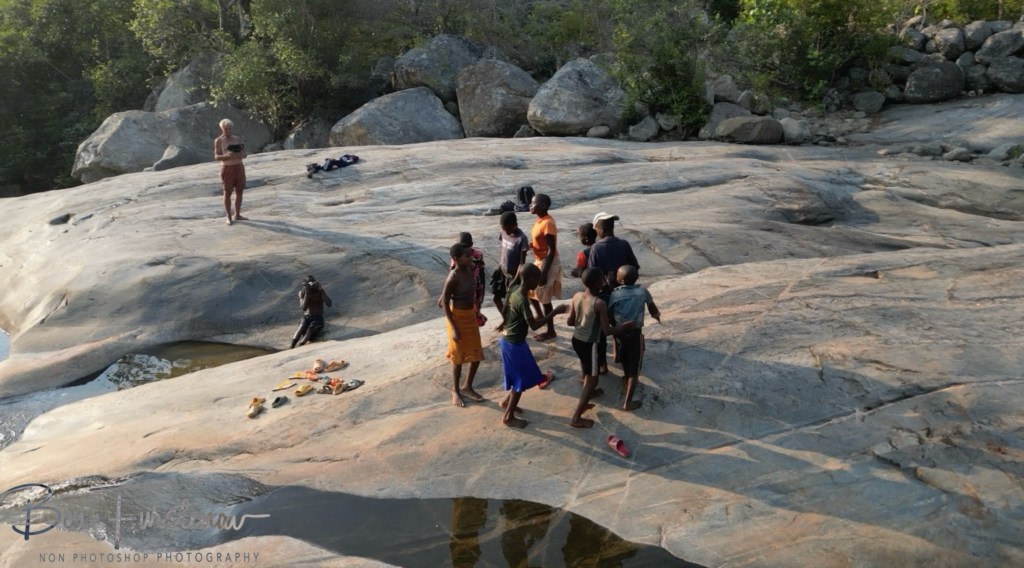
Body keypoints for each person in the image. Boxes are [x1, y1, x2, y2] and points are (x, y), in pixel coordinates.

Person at [498, 264, 568, 428]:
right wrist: (555, 312)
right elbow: (535, 326)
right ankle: (508, 417)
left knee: (521, 375)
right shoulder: (522, 299)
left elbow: (505, 305)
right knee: (520, 380)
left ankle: (507, 403)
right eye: (537, 279)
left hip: (508, 340)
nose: (539, 281)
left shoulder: (514, 289)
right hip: (515, 344)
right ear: (529, 279)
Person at [566, 268, 634, 428]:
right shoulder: (599, 303)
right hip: (591, 343)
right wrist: (626, 326)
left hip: (576, 339)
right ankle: (576, 417)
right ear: (598, 283)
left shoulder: (576, 296)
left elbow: (570, 322)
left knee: (587, 366)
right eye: (602, 279)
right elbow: (607, 331)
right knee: (594, 377)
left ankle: (589, 389)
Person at [587, 211, 639, 371]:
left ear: (599, 230)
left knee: (601, 329)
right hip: (623, 294)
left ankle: (602, 364)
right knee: (620, 325)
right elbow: (635, 267)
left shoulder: (595, 248)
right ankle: (621, 355)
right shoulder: (624, 244)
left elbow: (592, 274)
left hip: (605, 295)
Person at [609, 265, 661, 411]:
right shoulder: (643, 292)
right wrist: (657, 316)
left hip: (619, 332)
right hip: (634, 333)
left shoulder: (614, 294)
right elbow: (652, 308)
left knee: (625, 357)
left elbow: (610, 313)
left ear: (620, 280)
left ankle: (626, 374)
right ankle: (628, 402)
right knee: (635, 368)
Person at [442, 243, 485, 407]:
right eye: (466, 256)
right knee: (458, 358)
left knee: (477, 355)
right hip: (457, 319)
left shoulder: (470, 268)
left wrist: (477, 312)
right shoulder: (453, 277)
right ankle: (455, 390)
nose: (470, 258)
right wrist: (454, 328)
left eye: (470, 255)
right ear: (456, 259)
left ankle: (467, 386)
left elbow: (479, 261)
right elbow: (445, 303)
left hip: (470, 316)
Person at [527, 193, 563, 341]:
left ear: (542, 206)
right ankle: (540, 316)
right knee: (530, 291)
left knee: (545, 297)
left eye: (532, 203)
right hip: (539, 260)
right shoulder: (539, 221)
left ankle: (551, 330)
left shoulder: (548, 223)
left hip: (548, 262)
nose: (530, 205)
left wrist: (544, 272)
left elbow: (551, 249)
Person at [493, 211, 530, 326]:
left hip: (514, 275)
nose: (506, 231)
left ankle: (513, 322)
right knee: (496, 298)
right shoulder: (503, 232)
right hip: (502, 271)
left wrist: (516, 280)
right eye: (503, 228)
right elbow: (504, 250)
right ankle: (505, 319)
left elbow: (522, 262)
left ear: (515, 225)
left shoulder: (521, 238)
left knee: (511, 302)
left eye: (508, 229)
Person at [213, 118, 248, 225]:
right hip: (227, 168)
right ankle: (228, 217)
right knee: (227, 192)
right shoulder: (219, 140)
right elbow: (216, 156)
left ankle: (237, 214)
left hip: (239, 166)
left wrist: (241, 155)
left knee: (240, 191)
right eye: (226, 129)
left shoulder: (237, 139)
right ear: (222, 128)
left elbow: (245, 154)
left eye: (230, 128)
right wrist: (226, 156)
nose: (228, 131)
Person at [291, 275, 333, 348]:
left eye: (313, 282)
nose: (311, 285)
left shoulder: (319, 291)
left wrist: (321, 290)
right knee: (301, 327)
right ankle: (292, 346)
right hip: (307, 317)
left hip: (318, 318)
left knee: (309, 329)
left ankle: (301, 345)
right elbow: (304, 308)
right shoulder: (302, 293)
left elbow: (329, 303)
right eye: (309, 283)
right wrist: (307, 293)